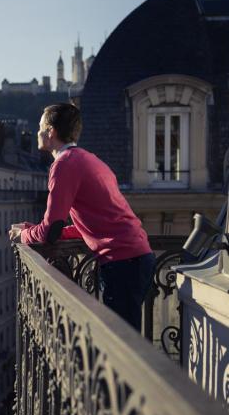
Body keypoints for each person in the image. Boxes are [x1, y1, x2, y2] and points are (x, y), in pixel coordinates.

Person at [9, 103, 155, 332]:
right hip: (136, 256)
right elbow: (88, 225)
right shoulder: (90, 160)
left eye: (40, 127)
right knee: (125, 337)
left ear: (51, 132)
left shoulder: (64, 165)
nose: (37, 132)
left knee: (122, 346)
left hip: (123, 262)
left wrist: (23, 234)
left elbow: (51, 231)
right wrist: (32, 228)